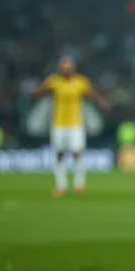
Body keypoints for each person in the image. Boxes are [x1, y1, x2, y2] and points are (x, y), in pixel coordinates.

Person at [30, 56, 109, 197]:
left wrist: (102, 102)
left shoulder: (81, 82)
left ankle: (79, 184)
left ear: (73, 69)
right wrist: (34, 94)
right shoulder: (54, 81)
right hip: (58, 124)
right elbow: (40, 90)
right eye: (63, 68)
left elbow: (92, 94)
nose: (66, 70)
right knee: (59, 154)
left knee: (77, 153)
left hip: (75, 124)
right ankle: (61, 186)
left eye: (68, 67)